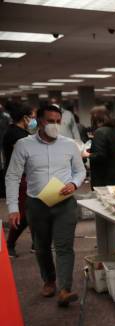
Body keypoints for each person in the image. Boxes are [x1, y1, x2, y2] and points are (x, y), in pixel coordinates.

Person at [5, 104, 86, 306]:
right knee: (41, 247)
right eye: (50, 121)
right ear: (39, 121)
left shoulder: (69, 145)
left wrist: (73, 183)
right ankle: (49, 280)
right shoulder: (24, 145)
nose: (55, 125)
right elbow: (12, 176)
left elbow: (80, 171)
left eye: (58, 121)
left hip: (64, 204)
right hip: (36, 204)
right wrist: (14, 208)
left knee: (64, 246)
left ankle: (65, 288)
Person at [89, 106, 115, 252]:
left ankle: (113, 243)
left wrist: (86, 155)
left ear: (95, 118)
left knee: (107, 212)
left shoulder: (100, 132)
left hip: (106, 179)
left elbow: (100, 155)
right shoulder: (114, 131)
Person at [2, 102, 36, 257]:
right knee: (23, 214)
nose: (34, 119)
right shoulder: (16, 134)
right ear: (25, 117)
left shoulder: (20, 132)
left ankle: (37, 244)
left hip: (27, 177)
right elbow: (25, 156)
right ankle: (9, 244)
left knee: (35, 212)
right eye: (33, 116)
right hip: (19, 179)